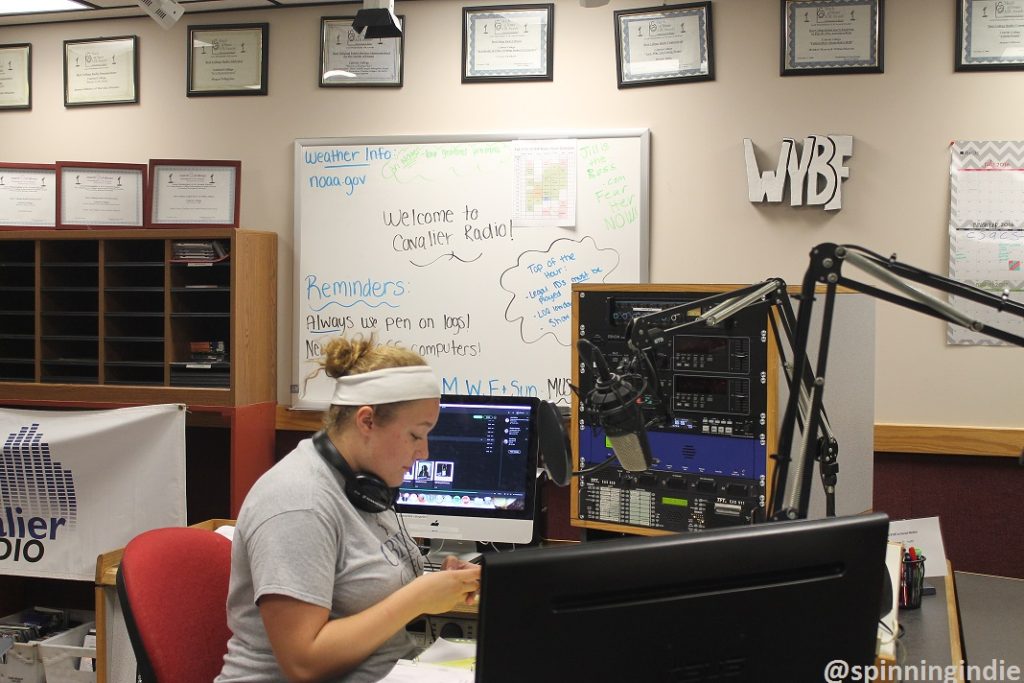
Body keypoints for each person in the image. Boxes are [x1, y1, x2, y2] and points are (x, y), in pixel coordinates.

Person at [216, 337, 480, 683]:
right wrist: (418, 598)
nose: (424, 453)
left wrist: (443, 582)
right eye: (417, 435)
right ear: (366, 421)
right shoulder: (299, 502)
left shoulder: (363, 485)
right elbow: (303, 663)